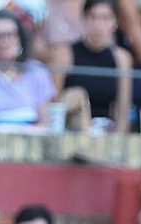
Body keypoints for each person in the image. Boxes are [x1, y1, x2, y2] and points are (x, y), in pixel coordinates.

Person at [54, 0, 131, 132]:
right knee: (78, 95)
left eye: (105, 18)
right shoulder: (65, 54)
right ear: (84, 19)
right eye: (92, 17)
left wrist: (119, 139)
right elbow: (54, 100)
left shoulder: (121, 59)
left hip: (104, 129)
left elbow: (123, 108)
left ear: (115, 23)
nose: (98, 24)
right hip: (72, 127)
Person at [0, 10, 57, 123]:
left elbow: (45, 120)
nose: (3, 41)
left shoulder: (36, 70)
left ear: (20, 38)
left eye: (10, 35)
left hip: (30, 135)